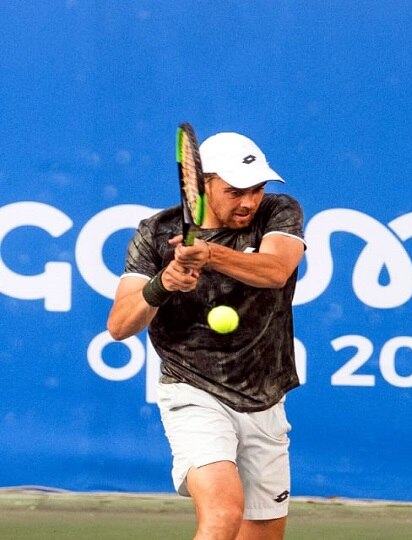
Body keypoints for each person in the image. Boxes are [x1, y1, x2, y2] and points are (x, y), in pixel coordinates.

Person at [107, 131, 306, 540]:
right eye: (236, 191)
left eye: (257, 188)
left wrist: (211, 255)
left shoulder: (279, 212)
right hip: (192, 390)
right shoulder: (156, 233)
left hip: (264, 393)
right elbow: (120, 326)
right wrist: (162, 284)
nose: (249, 201)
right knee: (222, 515)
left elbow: (275, 271)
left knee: (262, 534)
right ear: (204, 184)